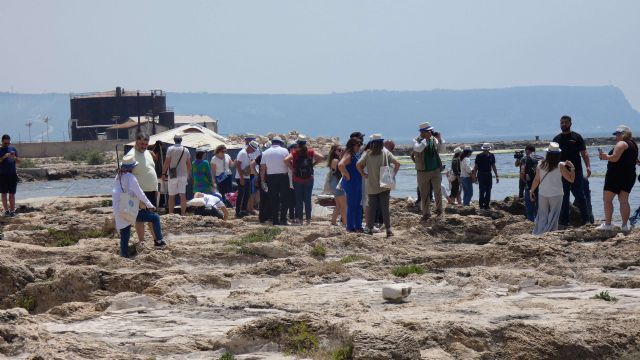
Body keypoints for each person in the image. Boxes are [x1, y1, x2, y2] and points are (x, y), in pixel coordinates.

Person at [113, 155, 166, 258]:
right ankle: (159, 242)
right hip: (127, 208)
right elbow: (140, 193)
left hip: (118, 208)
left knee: (125, 233)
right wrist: (149, 205)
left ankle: (124, 255)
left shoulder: (118, 176)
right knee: (154, 217)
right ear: (132, 167)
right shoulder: (131, 177)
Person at [357, 134, 401, 237]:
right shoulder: (386, 152)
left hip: (371, 184)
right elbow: (397, 164)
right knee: (385, 207)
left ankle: (370, 229)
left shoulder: (368, 154)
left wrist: (363, 174)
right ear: (381, 142)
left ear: (372, 143)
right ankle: (388, 230)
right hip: (385, 183)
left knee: (372, 207)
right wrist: (392, 175)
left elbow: (358, 165)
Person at [597, 125, 638, 230]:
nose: (617, 136)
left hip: (615, 175)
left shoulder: (621, 143)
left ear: (625, 134)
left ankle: (608, 224)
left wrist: (605, 157)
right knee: (624, 200)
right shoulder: (633, 144)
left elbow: (615, 158)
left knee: (607, 200)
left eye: (619, 134)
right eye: (616, 134)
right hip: (629, 176)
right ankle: (625, 226)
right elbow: (634, 160)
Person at [553, 115, 591, 228]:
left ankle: (586, 220)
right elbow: (552, 157)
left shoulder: (577, 137)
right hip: (561, 172)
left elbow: (584, 153)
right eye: (562, 122)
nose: (563, 124)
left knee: (580, 195)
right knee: (564, 197)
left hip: (576, 171)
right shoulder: (556, 139)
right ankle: (564, 222)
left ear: (570, 123)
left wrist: (588, 166)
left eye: (565, 122)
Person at [530, 142, 575, 235]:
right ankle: (549, 234)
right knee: (553, 216)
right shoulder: (560, 166)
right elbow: (571, 179)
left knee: (542, 215)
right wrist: (572, 168)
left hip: (543, 193)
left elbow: (536, 180)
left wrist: (531, 190)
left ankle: (538, 233)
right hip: (556, 194)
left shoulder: (540, 164)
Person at [126, 132, 159, 244]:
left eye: (146, 144)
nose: (144, 146)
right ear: (136, 142)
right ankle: (142, 241)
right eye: (141, 144)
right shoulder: (130, 156)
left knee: (152, 215)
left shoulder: (148, 153)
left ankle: (156, 240)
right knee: (139, 217)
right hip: (139, 191)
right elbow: (125, 175)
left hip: (152, 190)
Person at [285, 135, 325, 225]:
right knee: (307, 199)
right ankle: (308, 219)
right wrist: (313, 164)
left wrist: (292, 168)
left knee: (298, 199)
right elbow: (322, 157)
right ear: (305, 143)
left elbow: (285, 160)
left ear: (298, 143)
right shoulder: (310, 151)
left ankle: (299, 219)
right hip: (309, 178)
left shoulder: (295, 152)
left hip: (296, 178)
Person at [413, 122, 446, 220]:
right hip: (423, 171)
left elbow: (442, 150)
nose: (431, 133)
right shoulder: (416, 140)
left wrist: (440, 139)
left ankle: (439, 210)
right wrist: (426, 140)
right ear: (422, 132)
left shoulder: (433, 139)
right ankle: (426, 213)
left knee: (438, 190)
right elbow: (418, 149)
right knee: (424, 193)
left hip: (435, 169)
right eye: (428, 131)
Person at [260, 136, 290, 225]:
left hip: (271, 177)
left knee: (273, 199)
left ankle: (275, 220)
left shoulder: (265, 152)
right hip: (283, 176)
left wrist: (262, 180)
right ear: (280, 143)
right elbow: (288, 163)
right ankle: (283, 219)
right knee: (285, 199)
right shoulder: (285, 151)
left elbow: (262, 168)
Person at [161, 134, 191, 215]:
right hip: (183, 174)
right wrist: (188, 174)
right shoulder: (186, 150)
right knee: (182, 195)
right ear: (181, 140)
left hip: (173, 174)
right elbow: (188, 164)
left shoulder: (170, 149)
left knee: (171, 196)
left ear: (174, 140)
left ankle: (171, 214)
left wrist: (163, 173)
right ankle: (183, 214)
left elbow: (167, 162)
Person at [339, 138, 364, 232]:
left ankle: (358, 226)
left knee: (358, 204)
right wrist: (347, 175)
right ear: (353, 145)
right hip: (351, 183)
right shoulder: (349, 154)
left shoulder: (354, 155)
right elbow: (340, 165)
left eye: (360, 145)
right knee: (352, 204)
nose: (359, 147)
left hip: (357, 182)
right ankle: (350, 227)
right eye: (358, 145)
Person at [234, 140, 258, 218]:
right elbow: (237, 164)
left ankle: (243, 210)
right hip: (241, 177)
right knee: (241, 194)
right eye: (253, 150)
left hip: (246, 177)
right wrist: (241, 177)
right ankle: (237, 212)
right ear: (250, 147)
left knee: (247, 194)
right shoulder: (243, 153)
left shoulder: (248, 154)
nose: (253, 151)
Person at [520, 145, 544, 221]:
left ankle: (531, 222)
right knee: (540, 205)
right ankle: (539, 222)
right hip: (541, 184)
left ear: (527, 150)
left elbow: (522, 171)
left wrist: (524, 181)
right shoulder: (542, 158)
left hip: (529, 185)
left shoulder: (525, 158)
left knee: (529, 205)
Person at [473, 143, 499, 209]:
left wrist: (497, 175)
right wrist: (475, 176)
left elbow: (493, 166)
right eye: (484, 150)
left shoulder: (491, 155)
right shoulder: (478, 156)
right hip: (481, 174)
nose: (485, 151)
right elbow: (476, 167)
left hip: (488, 174)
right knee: (482, 190)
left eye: (486, 150)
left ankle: (486, 204)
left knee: (488, 190)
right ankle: (481, 205)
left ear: (489, 149)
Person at [0, 134, 20, 217]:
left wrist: (15, 158)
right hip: (2, 175)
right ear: (2, 142)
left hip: (12, 175)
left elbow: (19, 162)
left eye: (8, 143)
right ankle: (6, 211)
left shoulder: (13, 149)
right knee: (4, 193)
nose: (7, 145)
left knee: (12, 194)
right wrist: (4, 157)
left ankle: (12, 211)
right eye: (5, 143)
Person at [327, 145, 347, 226]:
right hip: (337, 184)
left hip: (335, 183)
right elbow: (335, 173)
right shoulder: (335, 160)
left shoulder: (337, 160)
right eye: (339, 150)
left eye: (342, 150)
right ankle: (345, 223)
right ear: (334, 151)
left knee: (338, 205)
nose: (341, 151)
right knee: (343, 206)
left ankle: (333, 221)